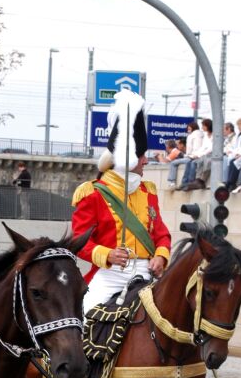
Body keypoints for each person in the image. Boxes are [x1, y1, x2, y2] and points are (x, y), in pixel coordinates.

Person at [71, 89, 171, 314]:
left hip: (147, 272)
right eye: (142, 155)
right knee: (83, 317)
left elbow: (162, 234)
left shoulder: (149, 191)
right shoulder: (92, 193)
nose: (146, 160)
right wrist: (108, 254)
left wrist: (160, 256)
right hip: (110, 274)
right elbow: (79, 241)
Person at [180, 118, 213, 189]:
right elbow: (203, 147)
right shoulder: (205, 135)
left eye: (203, 126)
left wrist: (199, 155)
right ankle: (186, 183)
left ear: (208, 126)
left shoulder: (214, 135)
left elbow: (210, 148)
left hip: (210, 155)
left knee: (195, 163)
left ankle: (192, 182)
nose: (202, 128)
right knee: (189, 162)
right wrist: (196, 154)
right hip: (202, 154)